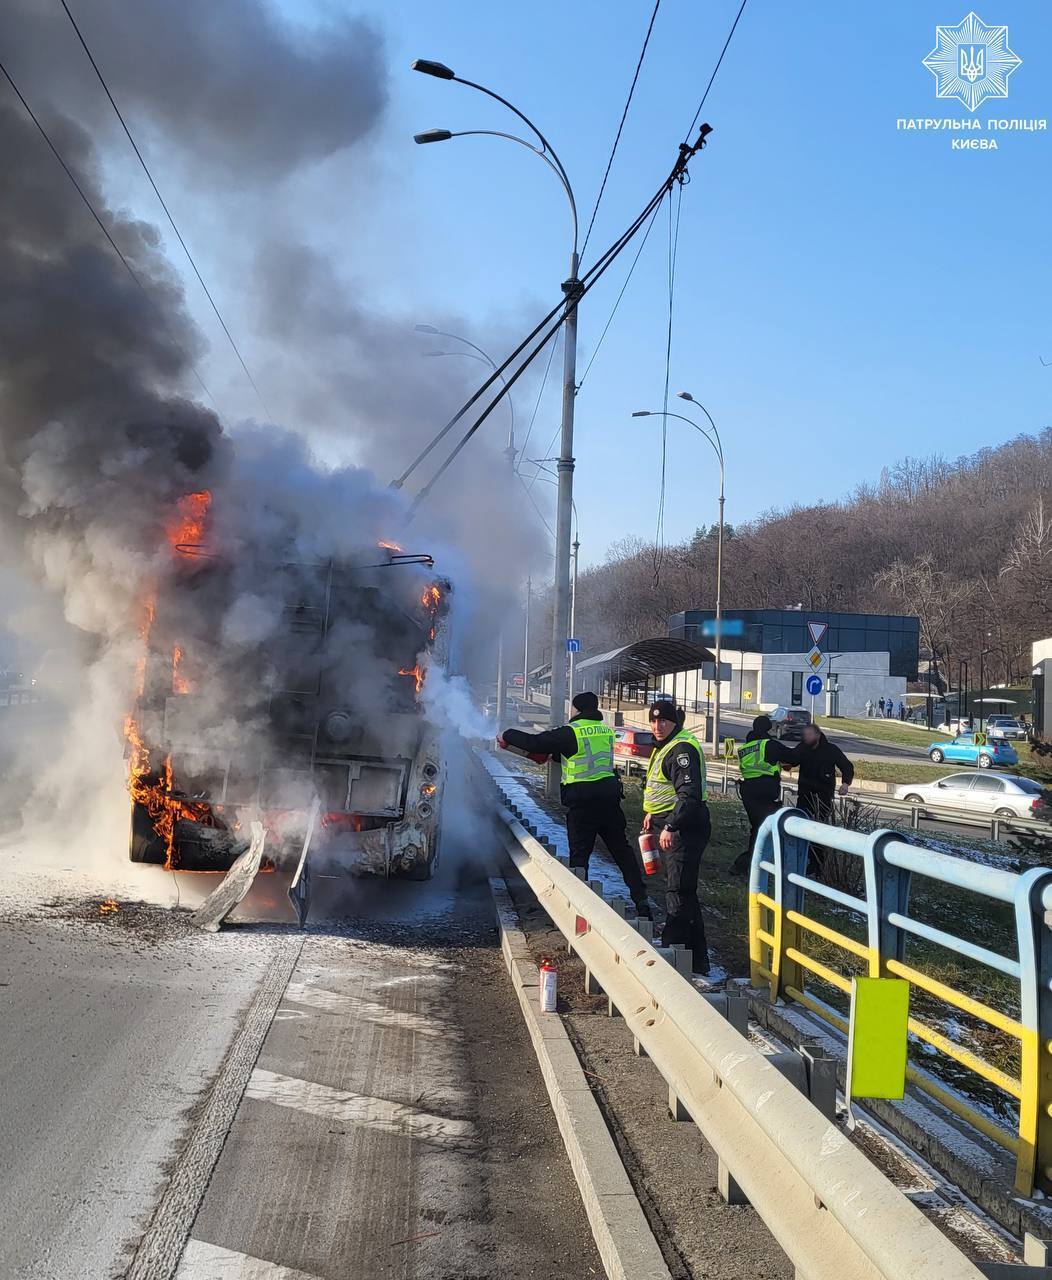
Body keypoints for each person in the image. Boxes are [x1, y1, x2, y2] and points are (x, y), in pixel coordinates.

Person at [499, 691, 652, 918]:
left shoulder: (571, 731)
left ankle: (580, 912)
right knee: (622, 854)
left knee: (580, 859)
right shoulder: (605, 731)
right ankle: (642, 904)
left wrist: (507, 733)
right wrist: (558, 756)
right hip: (609, 802)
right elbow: (588, 756)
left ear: (576, 709)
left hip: (583, 804)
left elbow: (535, 742)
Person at [641, 700, 711, 974]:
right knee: (684, 890)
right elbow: (664, 788)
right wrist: (651, 813)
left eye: (664, 722)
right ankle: (697, 960)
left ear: (674, 723)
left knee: (678, 890)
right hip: (673, 822)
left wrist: (670, 825)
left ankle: (674, 952)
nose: (658, 727)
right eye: (654, 721)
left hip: (685, 826)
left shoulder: (680, 749)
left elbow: (689, 795)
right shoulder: (668, 745)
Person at [730, 715, 797, 875]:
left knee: (758, 828)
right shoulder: (769, 745)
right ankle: (747, 865)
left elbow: (762, 763)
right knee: (769, 828)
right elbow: (792, 757)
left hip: (748, 791)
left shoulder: (746, 747)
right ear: (768, 727)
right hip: (765, 791)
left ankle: (753, 865)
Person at [783, 723, 854, 825]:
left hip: (823, 796)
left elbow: (847, 766)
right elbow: (792, 760)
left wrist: (845, 783)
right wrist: (786, 764)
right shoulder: (802, 748)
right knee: (801, 824)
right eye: (805, 735)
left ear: (818, 735)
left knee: (820, 825)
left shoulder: (831, 749)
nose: (807, 737)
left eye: (810, 734)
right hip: (805, 796)